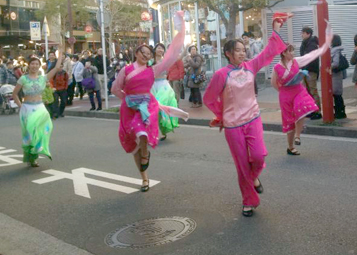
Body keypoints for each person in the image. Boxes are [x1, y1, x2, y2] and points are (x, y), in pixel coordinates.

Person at [204, 17, 286, 217]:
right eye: (238, 50)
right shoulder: (221, 75)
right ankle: (248, 201)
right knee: (241, 164)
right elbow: (208, 98)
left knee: (258, 156)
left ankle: (255, 177)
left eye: (243, 50)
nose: (242, 53)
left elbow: (268, 52)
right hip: (233, 125)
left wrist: (275, 28)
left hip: (253, 118)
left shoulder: (250, 66)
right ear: (228, 54)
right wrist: (221, 115)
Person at [111, 11, 187, 192]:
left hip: (146, 108)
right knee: (134, 145)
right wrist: (128, 100)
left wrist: (181, 28)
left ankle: (146, 154)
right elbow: (115, 88)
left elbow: (170, 57)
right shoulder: (126, 70)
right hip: (129, 109)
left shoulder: (153, 70)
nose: (145, 55)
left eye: (148, 54)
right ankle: (144, 178)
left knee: (142, 135)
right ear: (137, 53)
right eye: (143, 53)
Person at [271, 25, 333, 155]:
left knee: (303, 108)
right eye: (290, 51)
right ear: (283, 53)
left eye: (293, 51)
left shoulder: (296, 61)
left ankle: (298, 136)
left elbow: (312, 55)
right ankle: (290, 146)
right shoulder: (276, 67)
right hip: (285, 94)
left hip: (298, 90)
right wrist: (283, 91)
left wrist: (325, 45)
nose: (293, 54)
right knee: (289, 121)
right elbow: (273, 83)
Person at [12, 48, 64, 167]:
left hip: (40, 108)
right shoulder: (23, 79)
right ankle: (31, 157)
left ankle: (36, 156)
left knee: (42, 131)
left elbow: (56, 68)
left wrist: (60, 55)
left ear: (39, 66)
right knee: (30, 134)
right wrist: (21, 106)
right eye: (32, 64)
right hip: (28, 109)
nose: (34, 66)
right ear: (29, 65)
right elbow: (14, 94)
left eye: (37, 64)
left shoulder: (43, 78)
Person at [151, 43, 180, 140]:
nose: (160, 50)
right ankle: (161, 131)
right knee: (154, 110)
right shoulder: (150, 61)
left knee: (162, 105)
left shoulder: (165, 60)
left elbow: (178, 57)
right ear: (155, 49)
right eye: (158, 48)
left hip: (164, 85)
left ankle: (168, 126)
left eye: (162, 49)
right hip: (153, 86)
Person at [299, 26, 322, 120]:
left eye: (303, 33)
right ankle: (310, 110)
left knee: (313, 91)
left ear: (308, 34)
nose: (301, 34)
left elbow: (310, 59)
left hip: (311, 71)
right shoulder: (305, 43)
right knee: (306, 91)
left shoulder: (312, 44)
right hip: (305, 70)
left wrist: (306, 69)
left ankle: (317, 111)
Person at [330, 34, 347, 119]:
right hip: (336, 74)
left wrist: (328, 66)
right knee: (337, 94)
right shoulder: (337, 50)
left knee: (336, 94)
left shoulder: (335, 50)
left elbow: (335, 63)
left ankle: (340, 113)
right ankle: (340, 112)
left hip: (335, 74)